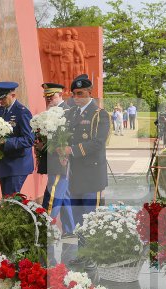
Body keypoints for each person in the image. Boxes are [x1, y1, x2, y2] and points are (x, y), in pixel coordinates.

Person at [59, 74, 110, 228]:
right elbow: (66, 136)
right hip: (75, 174)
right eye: (74, 94)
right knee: (78, 219)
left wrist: (71, 150)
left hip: (92, 175)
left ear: (89, 92)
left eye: (80, 93)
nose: (76, 97)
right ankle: (81, 250)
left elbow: (98, 143)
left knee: (92, 219)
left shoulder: (99, 114)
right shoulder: (71, 113)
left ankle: (92, 252)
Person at [37, 82, 75, 236]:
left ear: (60, 94)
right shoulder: (49, 112)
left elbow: (70, 138)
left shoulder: (68, 112)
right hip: (52, 159)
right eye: (46, 97)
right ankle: (70, 228)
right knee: (63, 195)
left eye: (51, 96)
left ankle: (47, 229)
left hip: (61, 161)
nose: (48, 100)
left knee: (54, 194)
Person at [0, 81, 34, 196]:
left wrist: (7, 142)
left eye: (3, 99)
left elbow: (29, 139)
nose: (0, 101)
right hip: (4, 162)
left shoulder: (22, 112)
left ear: (13, 95)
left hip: (18, 163)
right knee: (6, 198)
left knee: (12, 199)